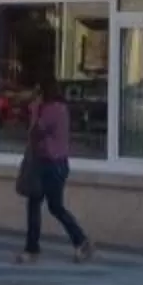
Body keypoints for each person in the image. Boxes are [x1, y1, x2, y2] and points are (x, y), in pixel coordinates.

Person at [13, 79, 95, 263]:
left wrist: (34, 111)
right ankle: (35, 248)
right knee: (42, 205)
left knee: (51, 206)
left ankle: (79, 241)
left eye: (38, 92)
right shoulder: (62, 108)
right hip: (55, 164)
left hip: (50, 165)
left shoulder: (51, 110)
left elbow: (35, 131)